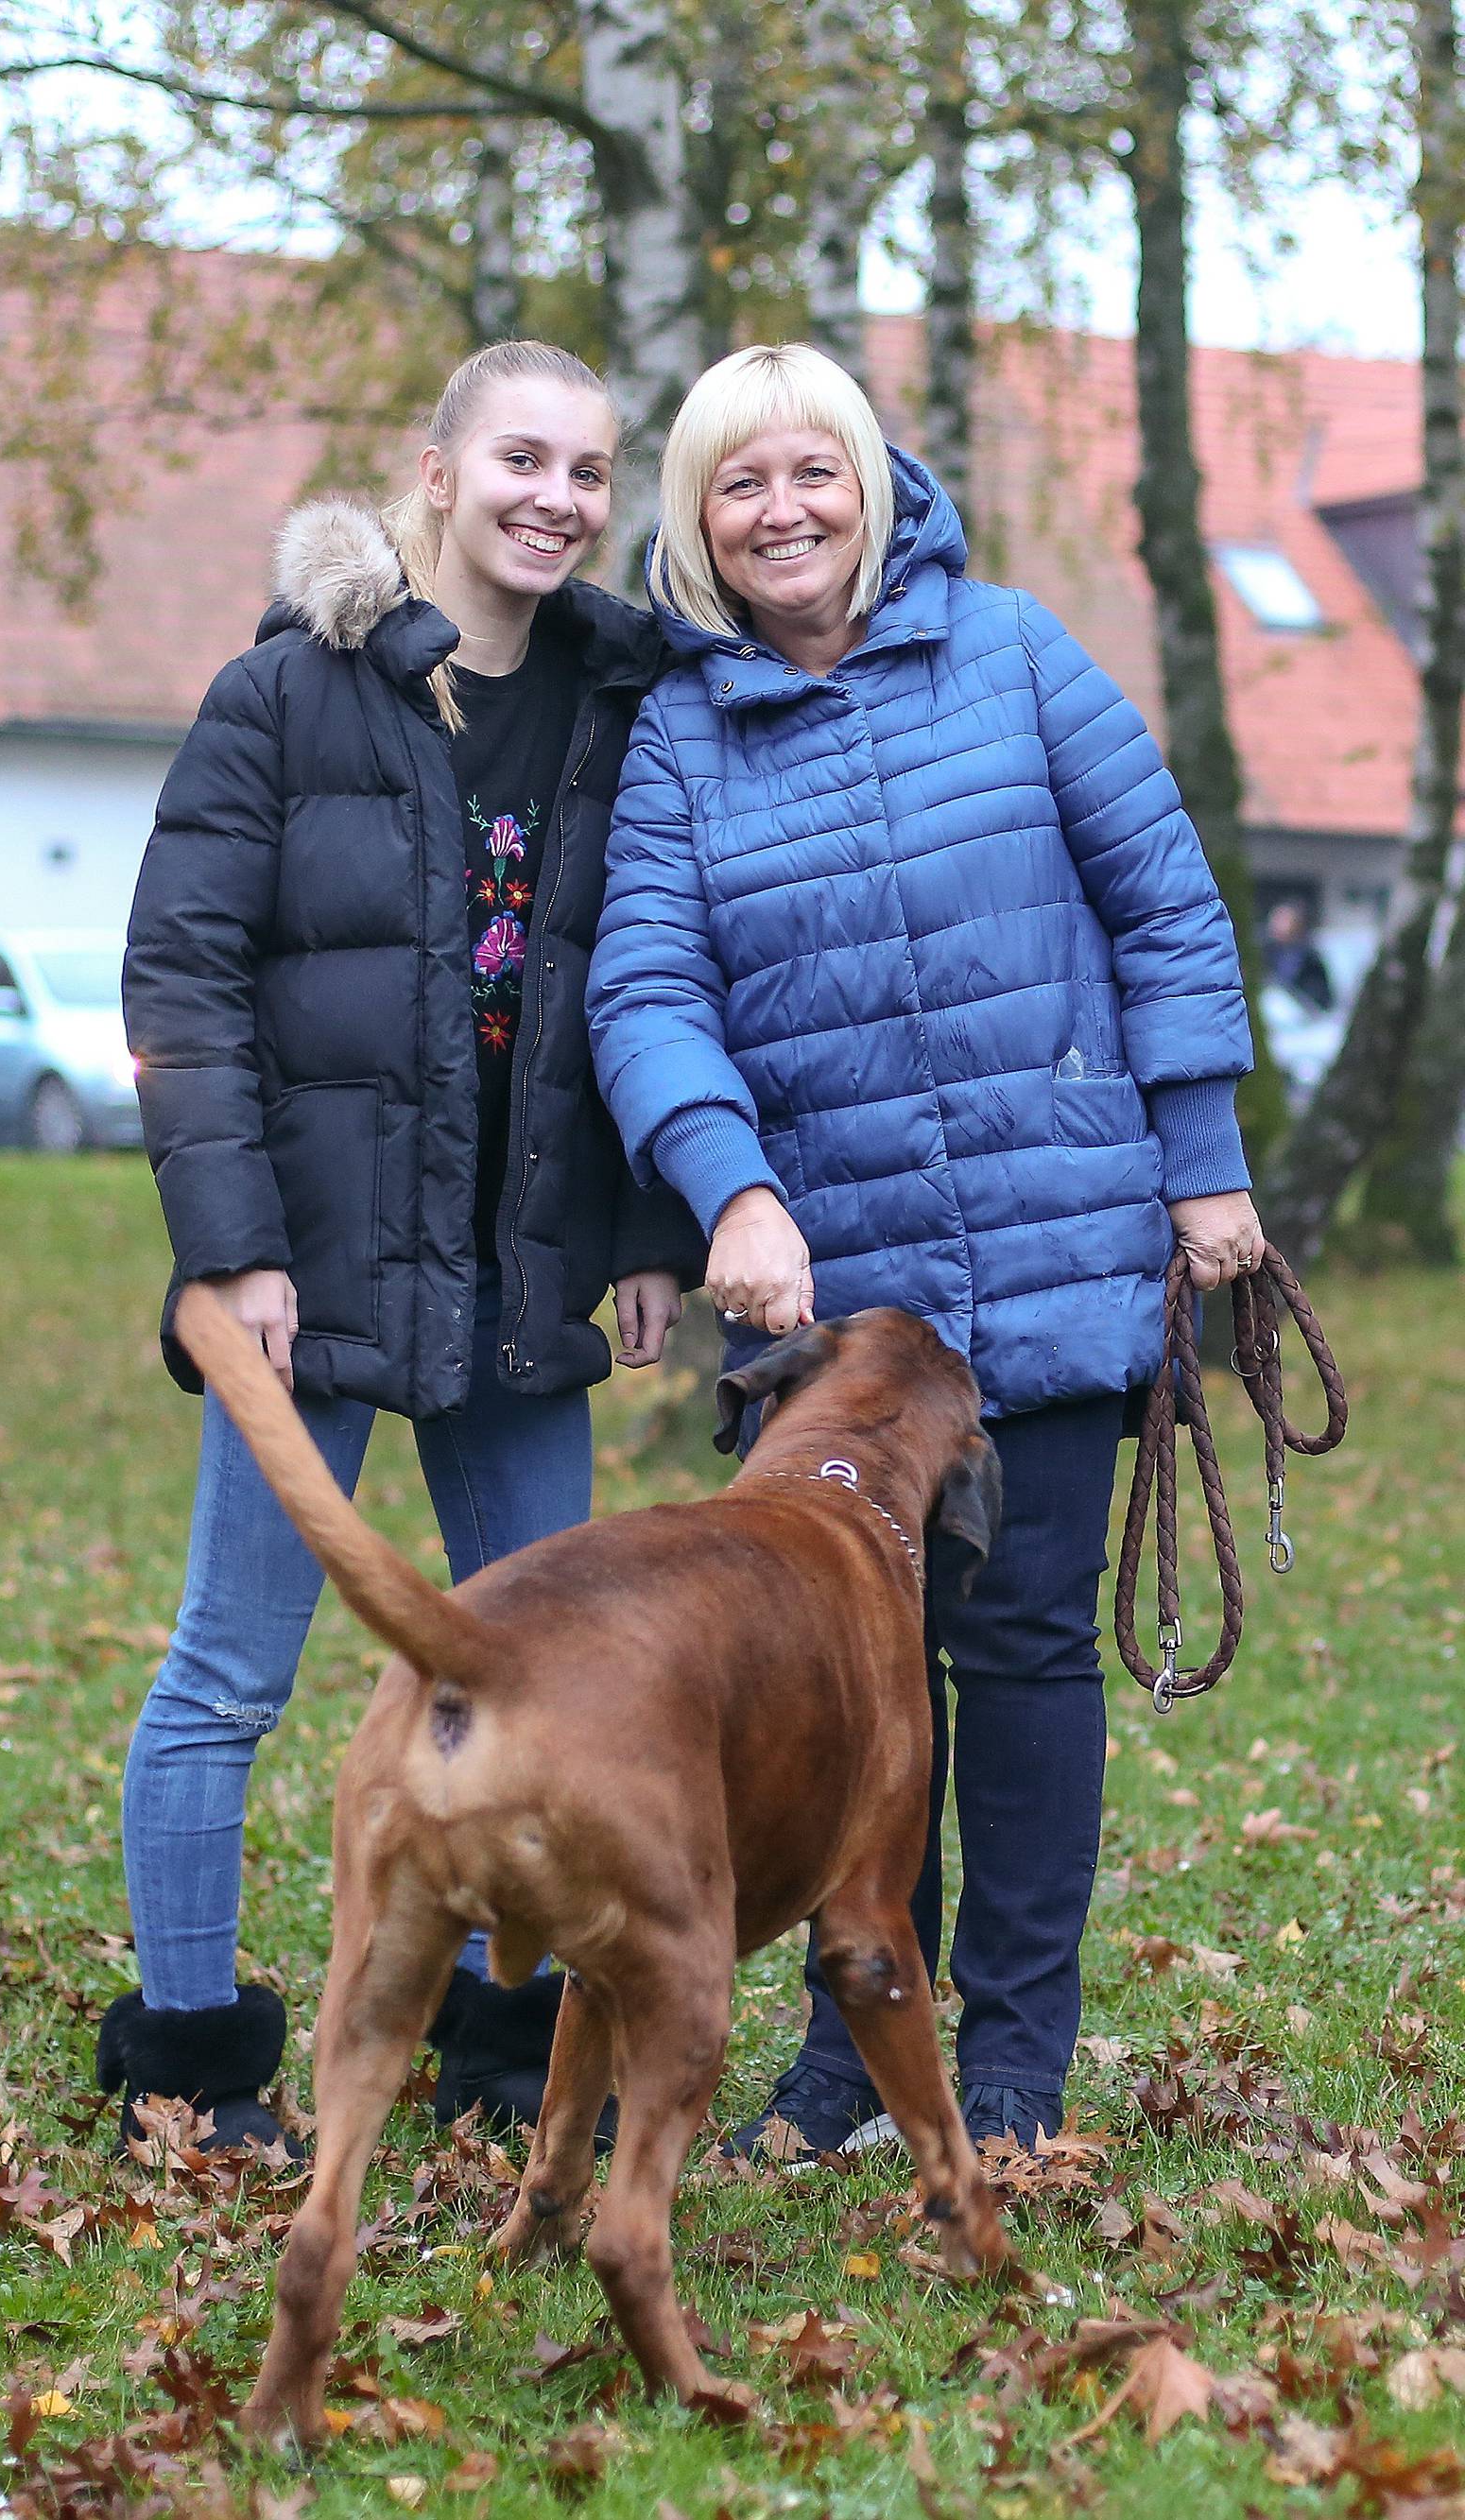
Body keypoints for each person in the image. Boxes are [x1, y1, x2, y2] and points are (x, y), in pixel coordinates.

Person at [586, 343, 1265, 2155]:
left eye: (815, 471)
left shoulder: (1018, 653)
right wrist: (726, 1186)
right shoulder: (679, 736)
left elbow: (1165, 905)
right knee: (829, 1682)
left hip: (1051, 1247)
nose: (782, 511)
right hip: (837, 1314)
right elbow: (647, 992)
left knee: (1025, 1653)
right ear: (700, 525)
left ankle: (1018, 2068)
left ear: (874, 484)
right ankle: (843, 2063)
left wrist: (1200, 1163)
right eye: (740, 486)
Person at [101, 340, 700, 2153]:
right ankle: (194, 2065)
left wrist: (650, 1225)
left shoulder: (623, 699)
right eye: (523, 458)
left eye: (590, 472)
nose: (557, 498)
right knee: (233, 1669)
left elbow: (651, 978)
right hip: (313, 1274)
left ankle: (509, 2050)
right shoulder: (285, 699)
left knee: (557, 1680)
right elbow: (181, 983)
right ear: (434, 473)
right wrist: (230, 1252)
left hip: (520, 1275)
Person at [1264, 900, 1335, 1011]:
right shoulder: (1266, 953)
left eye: (1283, 920)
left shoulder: (1311, 959)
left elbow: (1321, 997)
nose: (1275, 924)